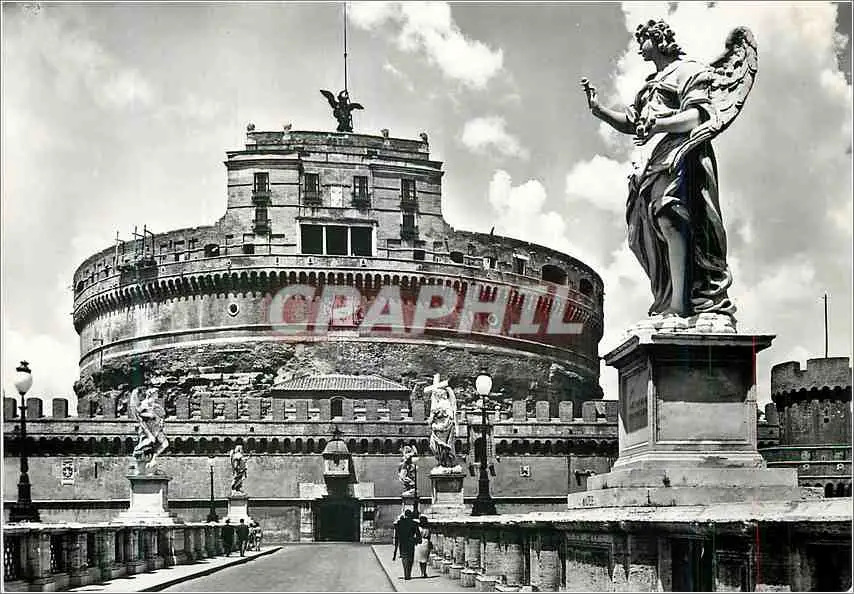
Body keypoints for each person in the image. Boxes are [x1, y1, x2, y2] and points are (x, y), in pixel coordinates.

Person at [581, 20, 757, 323]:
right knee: (647, 232)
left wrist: (659, 125)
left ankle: (681, 305)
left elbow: (697, 117)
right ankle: (669, 301)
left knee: (669, 218)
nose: (639, 46)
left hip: (682, 155)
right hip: (653, 159)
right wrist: (600, 111)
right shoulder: (651, 82)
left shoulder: (688, 70)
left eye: (643, 39)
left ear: (659, 38)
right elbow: (633, 123)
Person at [425, 376, 458, 468]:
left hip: (443, 429)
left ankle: (446, 463)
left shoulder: (446, 403)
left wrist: (436, 420)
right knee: (433, 446)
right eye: (436, 394)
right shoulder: (438, 404)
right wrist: (432, 419)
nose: (437, 396)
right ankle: (442, 462)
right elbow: (433, 416)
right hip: (437, 428)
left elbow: (449, 417)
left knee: (443, 447)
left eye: (438, 394)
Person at [392, 509, 422, 580]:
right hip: (411, 543)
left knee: (404, 558)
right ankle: (409, 573)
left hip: (402, 543)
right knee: (410, 558)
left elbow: (397, 536)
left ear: (405, 515)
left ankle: (406, 573)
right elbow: (418, 535)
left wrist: (395, 550)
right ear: (410, 515)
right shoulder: (414, 523)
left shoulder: (399, 523)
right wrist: (416, 541)